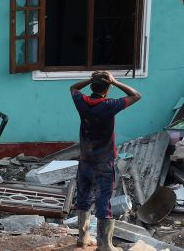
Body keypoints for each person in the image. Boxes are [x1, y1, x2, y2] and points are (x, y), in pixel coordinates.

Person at [70, 71, 141, 250]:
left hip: (85, 160)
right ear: (107, 89)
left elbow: (73, 88)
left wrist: (91, 79)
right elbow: (136, 95)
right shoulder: (110, 105)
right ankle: (105, 245)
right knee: (104, 200)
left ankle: (83, 237)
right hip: (104, 161)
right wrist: (114, 81)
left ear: (92, 86)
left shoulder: (82, 102)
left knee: (83, 197)